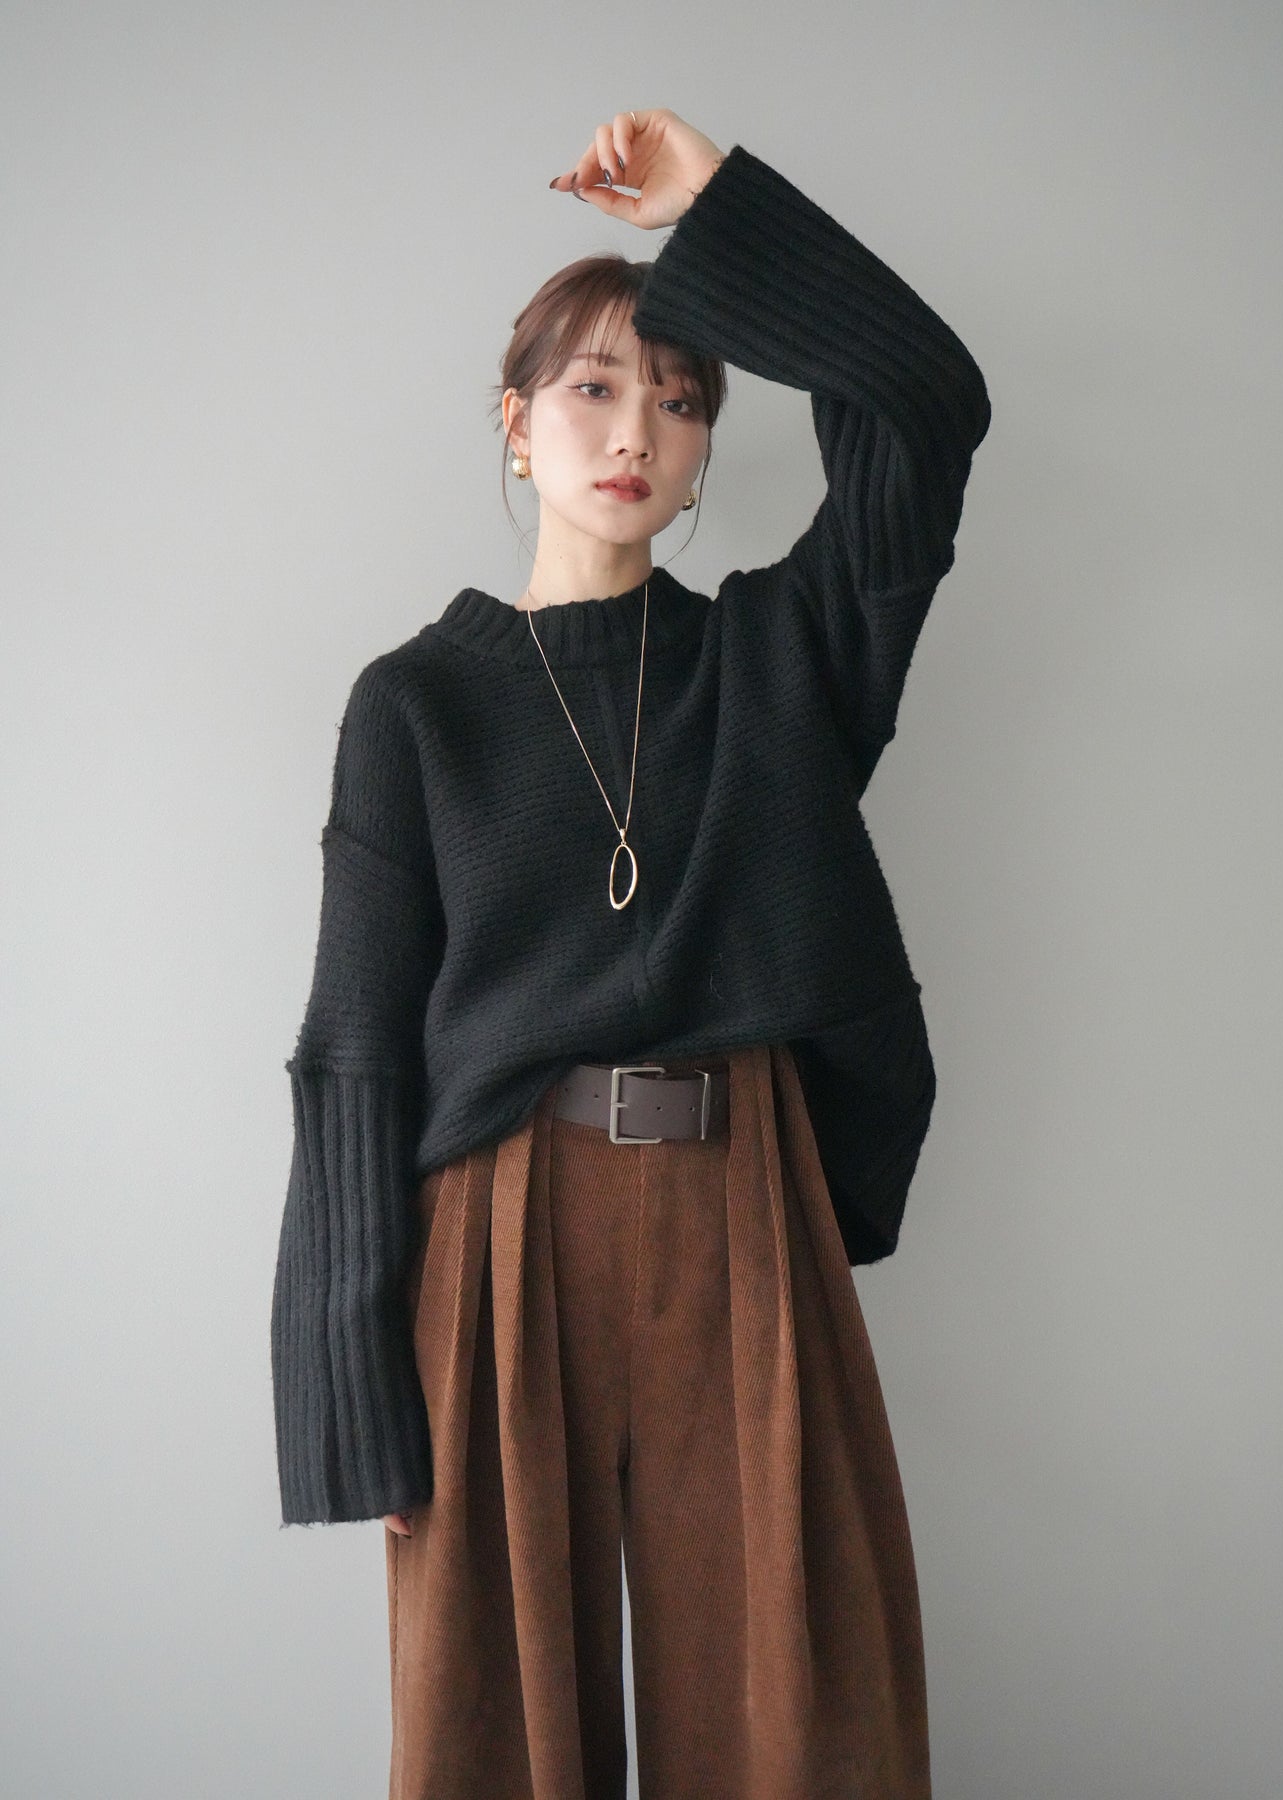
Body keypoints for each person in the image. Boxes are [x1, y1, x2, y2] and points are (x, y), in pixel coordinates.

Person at [270, 106, 991, 1800]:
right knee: (492, 1734)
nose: (636, 430)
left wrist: (715, 206)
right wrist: (349, 1383)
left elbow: (927, 404)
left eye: (679, 398)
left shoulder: (781, 664)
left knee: (793, 1717)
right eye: (594, 388)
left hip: (746, 1206)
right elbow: (357, 1041)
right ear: (515, 426)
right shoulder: (416, 705)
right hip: (496, 1230)